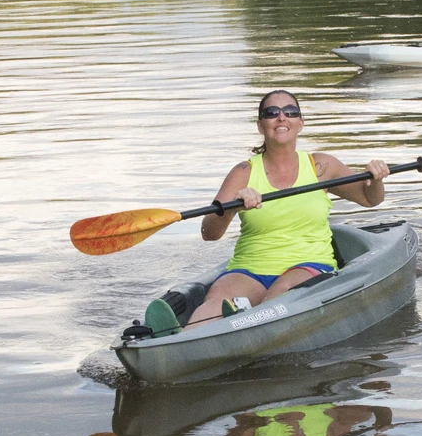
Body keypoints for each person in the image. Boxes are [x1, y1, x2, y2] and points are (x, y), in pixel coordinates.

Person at [144, 90, 389, 335]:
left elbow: (370, 198)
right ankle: (177, 340)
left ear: (300, 123)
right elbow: (209, 233)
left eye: (290, 112)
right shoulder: (243, 172)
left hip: (308, 265)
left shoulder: (321, 166)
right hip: (250, 268)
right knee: (216, 302)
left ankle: (242, 323)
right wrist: (232, 208)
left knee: (281, 295)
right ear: (261, 125)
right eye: (272, 112)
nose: (281, 117)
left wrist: (376, 179)